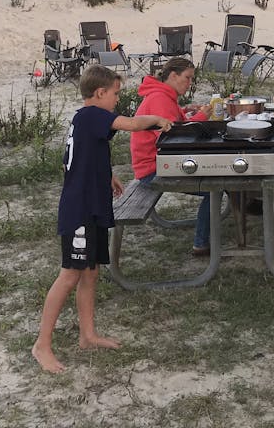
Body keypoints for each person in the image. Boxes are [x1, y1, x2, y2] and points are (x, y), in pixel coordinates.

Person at [32, 65, 173, 373]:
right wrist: (159, 120)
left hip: (93, 204)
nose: (116, 100)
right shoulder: (91, 115)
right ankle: (42, 344)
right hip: (79, 209)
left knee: (91, 273)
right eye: (115, 94)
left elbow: (82, 154)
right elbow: (134, 125)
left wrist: (107, 174)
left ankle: (88, 334)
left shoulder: (87, 120)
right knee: (70, 274)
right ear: (99, 93)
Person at [130, 57, 213, 256]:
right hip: (153, 169)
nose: (190, 83)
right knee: (214, 188)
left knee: (216, 176)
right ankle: (201, 243)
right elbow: (173, 139)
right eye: (188, 78)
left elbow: (172, 124)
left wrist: (185, 112)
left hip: (157, 163)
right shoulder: (160, 98)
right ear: (173, 76)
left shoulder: (163, 96)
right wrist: (201, 118)